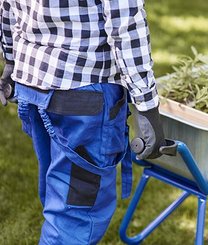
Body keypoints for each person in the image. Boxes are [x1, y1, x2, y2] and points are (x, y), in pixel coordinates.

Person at [0, 0, 165, 244]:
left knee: (62, 198)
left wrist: (11, 60)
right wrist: (147, 105)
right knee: (75, 216)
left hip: (33, 82)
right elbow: (126, 23)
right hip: (83, 94)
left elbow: (7, 6)